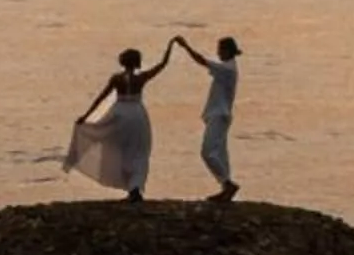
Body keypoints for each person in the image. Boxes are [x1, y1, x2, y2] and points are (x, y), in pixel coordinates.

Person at [64, 43, 170, 201]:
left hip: (119, 113)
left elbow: (101, 97)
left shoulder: (116, 78)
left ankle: (130, 187)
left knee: (120, 150)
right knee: (140, 150)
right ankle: (135, 187)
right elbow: (162, 64)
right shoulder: (141, 78)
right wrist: (171, 46)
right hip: (136, 113)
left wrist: (86, 117)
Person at [172, 35, 241, 201]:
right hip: (219, 114)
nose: (218, 52)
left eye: (220, 49)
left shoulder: (227, 69)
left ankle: (227, 183)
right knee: (220, 153)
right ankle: (226, 186)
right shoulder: (228, 67)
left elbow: (201, 61)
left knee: (208, 152)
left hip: (219, 114)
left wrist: (186, 46)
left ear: (226, 51)